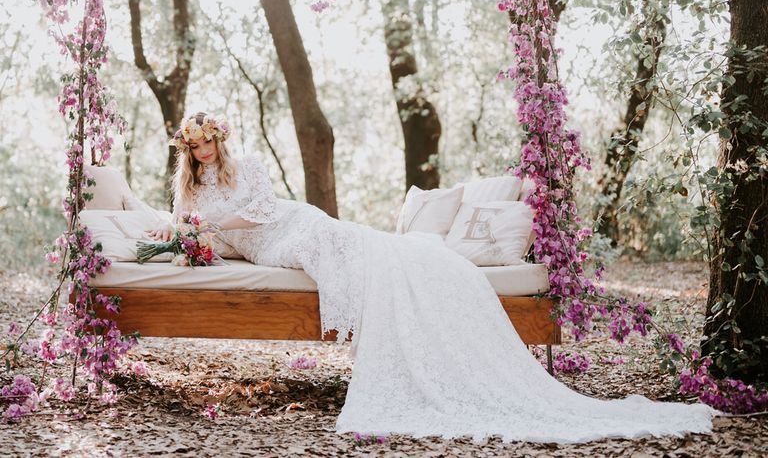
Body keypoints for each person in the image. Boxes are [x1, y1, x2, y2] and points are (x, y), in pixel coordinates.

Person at [147, 111, 718, 443]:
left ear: (217, 141)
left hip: (283, 227)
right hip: (258, 250)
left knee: (335, 239)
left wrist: (219, 224)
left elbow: (267, 210)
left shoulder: (247, 167)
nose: (197, 155)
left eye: (202, 146)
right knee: (323, 248)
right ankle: (402, 264)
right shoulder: (189, 185)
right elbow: (192, 228)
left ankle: (409, 264)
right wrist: (199, 239)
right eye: (190, 150)